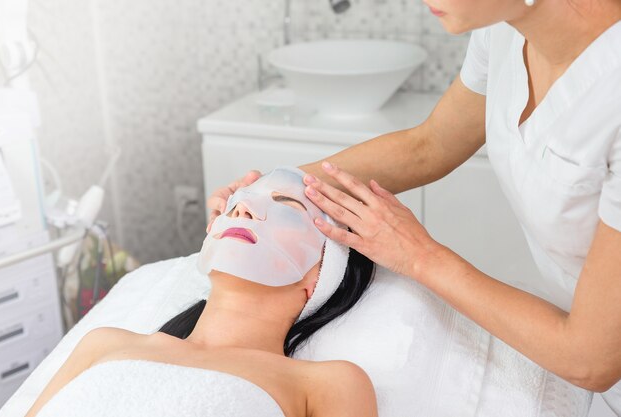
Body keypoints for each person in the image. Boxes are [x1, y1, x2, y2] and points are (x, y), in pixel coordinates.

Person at [207, 0, 621, 398]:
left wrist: (418, 255)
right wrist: (275, 190)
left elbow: (590, 360)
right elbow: (429, 145)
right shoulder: (505, 28)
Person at [24, 168, 378, 417]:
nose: (242, 209)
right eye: (236, 202)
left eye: (287, 205)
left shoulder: (326, 384)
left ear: (324, 273)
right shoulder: (103, 343)